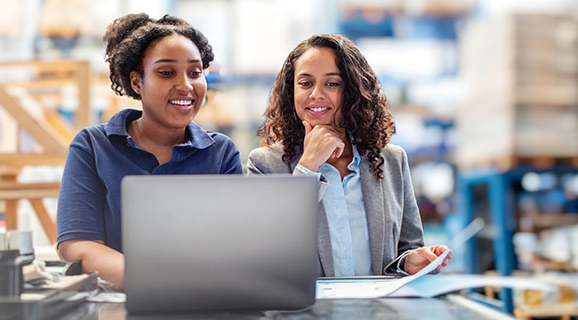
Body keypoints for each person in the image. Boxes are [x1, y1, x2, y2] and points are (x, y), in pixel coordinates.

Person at [57, 13, 243, 289]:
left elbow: (236, 245)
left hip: (202, 299)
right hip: (119, 302)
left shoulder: (221, 153)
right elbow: (77, 244)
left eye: (195, 72)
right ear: (136, 82)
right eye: (166, 73)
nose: (186, 85)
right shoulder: (93, 146)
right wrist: (152, 282)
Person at [247, 34, 452, 277]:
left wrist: (409, 262)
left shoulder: (391, 161)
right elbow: (263, 253)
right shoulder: (264, 164)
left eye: (332, 83)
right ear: (290, 92)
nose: (316, 94)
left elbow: (408, 246)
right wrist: (308, 167)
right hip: (307, 313)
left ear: (353, 91)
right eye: (305, 83)